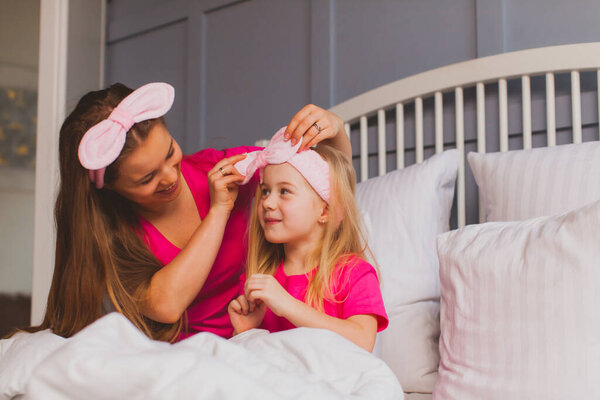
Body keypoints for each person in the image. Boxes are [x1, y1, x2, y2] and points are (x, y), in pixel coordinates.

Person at [19, 82, 351, 342]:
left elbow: (328, 182)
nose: (169, 176)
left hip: (259, 336)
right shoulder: (115, 234)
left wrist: (337, 130)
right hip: (195, 353)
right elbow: (165, 305)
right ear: (111, 188)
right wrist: (220, 209)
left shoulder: (220, 167)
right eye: (147, 178)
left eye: (170, 152)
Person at [227, 128, 388, 352]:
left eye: (284, 191)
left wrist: (288, 305)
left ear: (325, 211)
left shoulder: (353, 273)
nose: (268, 203)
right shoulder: (259, 279)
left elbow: (362, 342)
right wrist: (246, 332)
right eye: (265, 191)